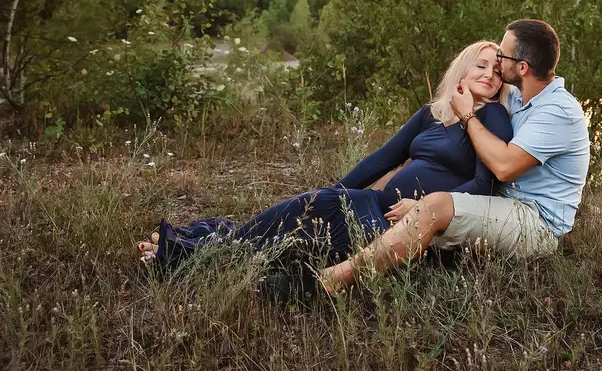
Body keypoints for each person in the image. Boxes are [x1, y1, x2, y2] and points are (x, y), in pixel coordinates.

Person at [136, 40, 513, 292]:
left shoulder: (492, 118)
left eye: (498, 72)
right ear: (462, 69)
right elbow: (384, 158)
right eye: (481, 65)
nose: (490, 75)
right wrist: (337, 190)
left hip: (403, 226)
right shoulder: (432, 113)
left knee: (298, 238)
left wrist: (425, 207)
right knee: (304, 216)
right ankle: (199, 250)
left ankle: (190, 254)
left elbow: (485, 184)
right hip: (374, 203)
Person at [319, 19, 590, 293]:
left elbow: (505, 168)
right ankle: (321, 247)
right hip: (500, 203)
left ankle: (336, 280)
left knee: (433, 207)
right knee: (406, 174)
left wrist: (468, 114)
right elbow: (480, 80)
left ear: (522, 68)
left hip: (534, 222)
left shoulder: (557, 111)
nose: (497, 60)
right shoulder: (520, 96)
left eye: (502, 56)